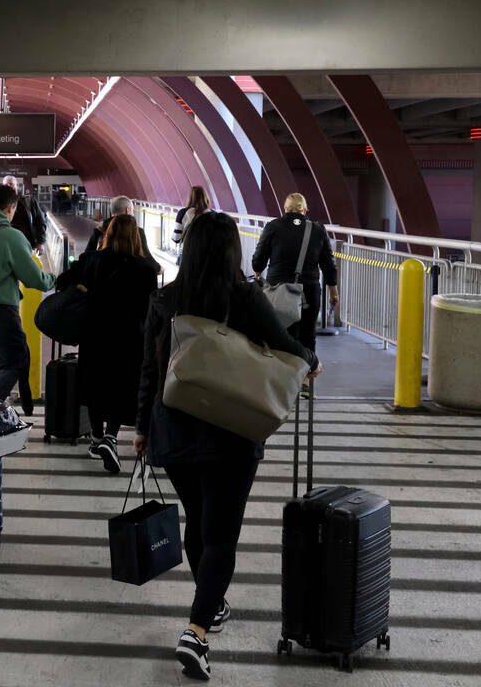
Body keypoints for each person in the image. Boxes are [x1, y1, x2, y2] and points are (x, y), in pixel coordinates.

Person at [135, 211, 320, 681]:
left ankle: (208, 603)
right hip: (231, 432)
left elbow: (149, 371)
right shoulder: (245, 297)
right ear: (232, 252)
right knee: (220, 536)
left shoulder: (165, 299)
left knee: (198, 523)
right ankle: (196, 632)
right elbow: (284, 344)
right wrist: (311, 361)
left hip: (174, 428)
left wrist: (141, 428)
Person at [55, 214, 158, 471]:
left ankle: (97, 439)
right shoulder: (145, 269)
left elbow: (61, 282)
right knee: (122, 386)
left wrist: (82, 289)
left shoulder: (92, 260)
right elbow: (150, 308)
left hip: (95, 334)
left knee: (94, 384)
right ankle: (110, 437)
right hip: (130, 338)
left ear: (108, 235)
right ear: (136, 237)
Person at [0, 185, 56, 406]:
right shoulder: (10, 236)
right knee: (16, 361)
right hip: (1, 311)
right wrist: (55, 279)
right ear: (11, 207)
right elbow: (35, 280)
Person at [250, 193, 339, 358]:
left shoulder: (273, 227)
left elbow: (258, 262)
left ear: (285, 210)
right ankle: (305, 379)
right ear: (305, 210)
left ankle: (282, 379)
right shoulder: (318, 229)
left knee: (279, 338)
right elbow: (328, 265)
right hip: (309, 293)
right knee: (308, 337)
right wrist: (333, 292)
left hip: (278, 291)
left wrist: (257, 274)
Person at [87, 196, 162, 275]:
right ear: (127, 210)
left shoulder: (99, 230)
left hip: (102, 275)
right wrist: (159, 268)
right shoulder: (137, 231)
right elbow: (146, 255)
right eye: (132, 210)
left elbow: (88, 253)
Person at [2, 175, 48, 253]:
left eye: (11, 184)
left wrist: (40, 242)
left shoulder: (29, 202)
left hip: (27, 244)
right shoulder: (1, 205)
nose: (9, 187)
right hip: (8, 246)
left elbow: (40, 221)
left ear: (17, 185)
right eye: (6, 185)